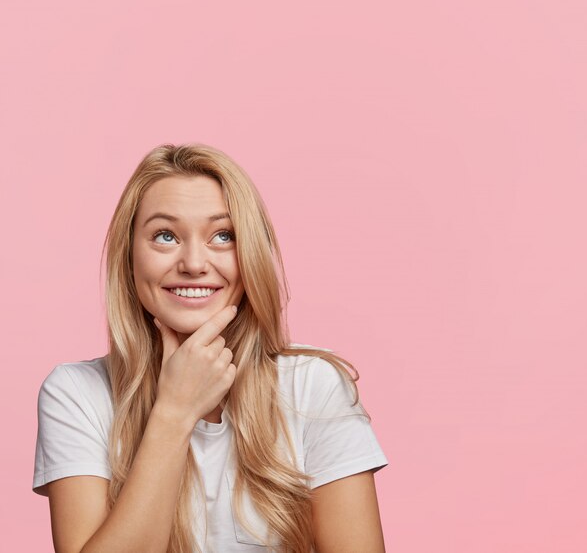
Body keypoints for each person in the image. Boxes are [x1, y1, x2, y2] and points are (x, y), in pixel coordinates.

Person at [32, 143, 388, 553]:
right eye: (165, 236)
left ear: (250, 253)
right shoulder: (75, 393)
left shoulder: (313, 387)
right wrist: (175, 411)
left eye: (223, 236)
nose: (195, 263)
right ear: (129, 257)